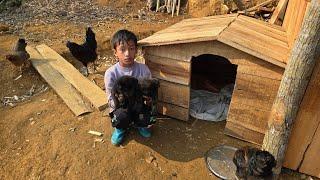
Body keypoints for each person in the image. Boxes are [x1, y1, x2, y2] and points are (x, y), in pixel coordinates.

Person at [104, 29, 153, 146]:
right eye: (122, 49)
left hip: (138, 103)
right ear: (115, 52)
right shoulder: (111, 73)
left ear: (136, 50)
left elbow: (149, 90)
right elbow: (110, 97)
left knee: (146, 114)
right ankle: (120, 128)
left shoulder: (143, 69)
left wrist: (149, 99)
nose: (127, 53)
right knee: (120, 117)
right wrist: (118, 104)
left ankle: (140, 124)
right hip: (121, 107)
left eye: (131, 48)